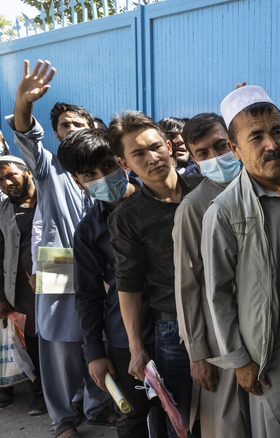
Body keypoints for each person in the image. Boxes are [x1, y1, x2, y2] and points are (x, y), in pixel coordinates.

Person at [5, 59, 112, 438]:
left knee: (94, 337)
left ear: (91, 130)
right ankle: (63, 419)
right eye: (63, 126)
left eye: (77, 124)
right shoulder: (48, 168)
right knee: (59, 347)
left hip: (96, 264)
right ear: (54, 133)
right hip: (55, 263)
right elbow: (25, 133)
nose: (70, 130)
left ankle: (97, 406)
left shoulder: (105, 173)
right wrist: (23, 103)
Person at [199, 85, 280, 437]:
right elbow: (216, 294)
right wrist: (239, 360)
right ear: (234, 148)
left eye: (276, 131)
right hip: (272, 352)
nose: (271, 144)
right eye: (257, 136)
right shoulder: (224, 212)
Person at [57, 129, 163, 438]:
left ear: (122, 162)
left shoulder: (161, 200)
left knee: (180, 414)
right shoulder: (88, 231)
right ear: (79, 182)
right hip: (125, 342)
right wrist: (94, 353)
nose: (103, 176)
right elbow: (87, 296)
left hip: (174, 330)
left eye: (108, 166)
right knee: (130, 416)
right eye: (90, 174)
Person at [107, 110, 203, 437]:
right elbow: (129, 285)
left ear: (167, 144)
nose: (153, 158)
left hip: (229, 315)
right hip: (175, 329)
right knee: (184, 421)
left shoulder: (207, 190)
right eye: (138, 153)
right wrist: (136, 346)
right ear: (125, 164)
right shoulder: (128, 217)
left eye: (156, 146)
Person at [172, 112, 248, 436]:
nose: (215, 157)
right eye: (203, 153)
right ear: (192, 158)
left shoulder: (259, 185)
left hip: (261, 326)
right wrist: (198, 353)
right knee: (226, 423)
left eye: (220, 146)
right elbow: (187, 284)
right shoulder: (194, 205)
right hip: (219, 337)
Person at [0, 155, 43, 414]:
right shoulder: (3, 210)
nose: (6, 183)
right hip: (20, 291)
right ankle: (39, 392)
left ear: (27, 171)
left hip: (55, 286)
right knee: (32, 341)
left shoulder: (49, 201)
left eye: (10, 175)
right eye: (0, 180)